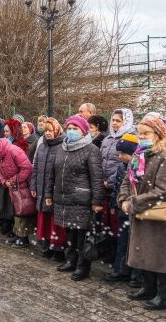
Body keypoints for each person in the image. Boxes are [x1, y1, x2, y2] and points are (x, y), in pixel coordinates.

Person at [118, 118, 166, 310]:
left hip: (159, 215)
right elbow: (127, 181)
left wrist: (134, 202)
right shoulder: (138, 155)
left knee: (160, 255)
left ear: (158, 135)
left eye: (146, 133)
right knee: (143, 251)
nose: (141, 137)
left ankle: (164, 295)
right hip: (140, 212)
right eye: (140, 133)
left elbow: (162, 190)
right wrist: (123, 199)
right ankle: (148, 287)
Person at [47, 115, 104, 281]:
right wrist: (49, 194)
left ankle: (82, 267)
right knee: (69, 233)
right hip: (63, 199)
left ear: (83, 131)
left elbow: (97, 178)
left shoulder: (91, 150)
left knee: (81, 235)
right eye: (69, 128)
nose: (71, 132)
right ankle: (70, 260)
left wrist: (97, 201)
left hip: (81, 199)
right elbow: (53, 173)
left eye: (75, 129)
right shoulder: (61, 148)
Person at [104, 133, 140, 283]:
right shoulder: (121, 167)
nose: (120, 157)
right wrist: (115, 203)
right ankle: (120, 270)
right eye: (118, 153)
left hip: (136, 210)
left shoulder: (139, 166)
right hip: (122, 209)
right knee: (122, 242)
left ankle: (137, 275)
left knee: (136, 244)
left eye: (123, 153)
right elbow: (118, 188)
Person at [0, 138, 33, 248]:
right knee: (16, 212)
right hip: (13, 187)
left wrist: (12, 181)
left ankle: (24, 238)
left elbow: (27, 168)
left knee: (23, 212)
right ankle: (18, 234)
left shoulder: (13, 151)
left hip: (23, 185)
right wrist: (4, 181)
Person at [31, 117, 67, 261]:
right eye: (45, 131)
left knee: (55, 221)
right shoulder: (42, 146)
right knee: (43, 220)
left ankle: (57, 248)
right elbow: (36, 167)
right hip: (41, 188)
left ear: (57, 130)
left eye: (50, 130)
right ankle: (45, 244)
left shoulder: (62, 146)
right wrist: (33, 185)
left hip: (54, 190)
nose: (47, 133)